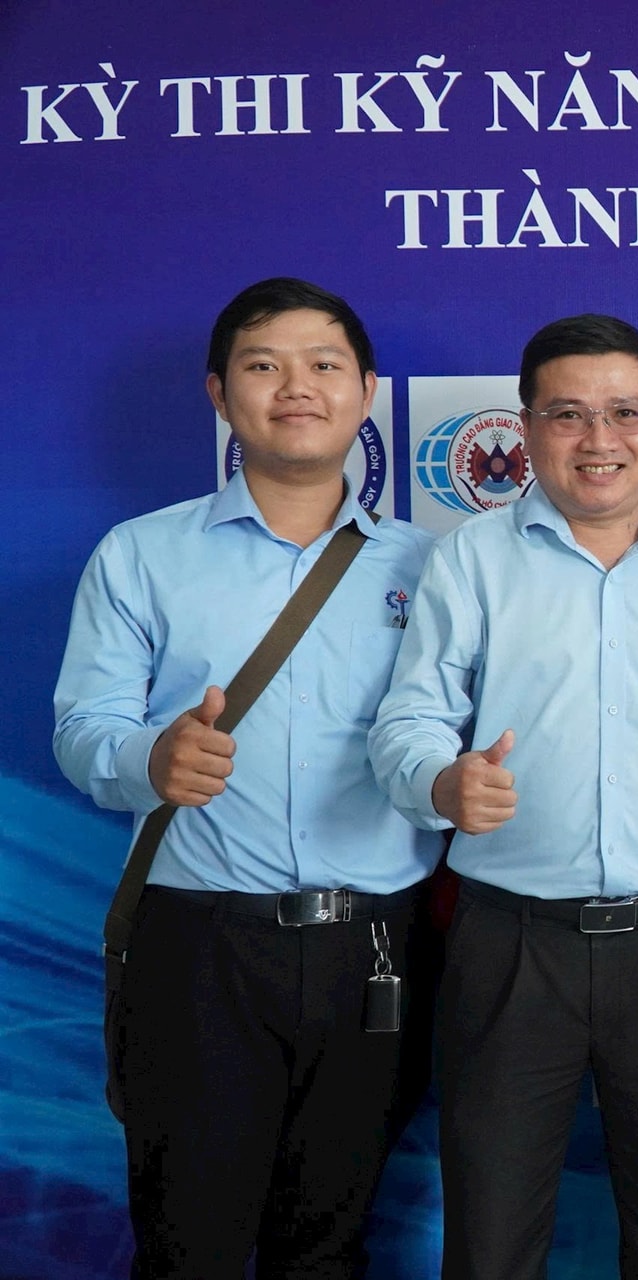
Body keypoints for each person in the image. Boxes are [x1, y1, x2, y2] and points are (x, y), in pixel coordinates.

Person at [52, 278, 440, 1278]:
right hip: (198, 948)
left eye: (324, 365)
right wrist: (151, 757)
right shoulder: (143, 554)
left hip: (376, 950)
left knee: (330, 1245)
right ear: (220, 394)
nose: (296, 386)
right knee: (190, 1245)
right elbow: (83, 729)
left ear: (366, 392)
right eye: (264, 365)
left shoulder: (433, 566)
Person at [368, 315, 638, 1280]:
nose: (598, 439)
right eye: (568, 414)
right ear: (528, 427)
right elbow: (409, 719)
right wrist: (443, 781)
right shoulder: (470, 558)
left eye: (625, 412)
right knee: (491, 1241)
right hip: (510, 945)